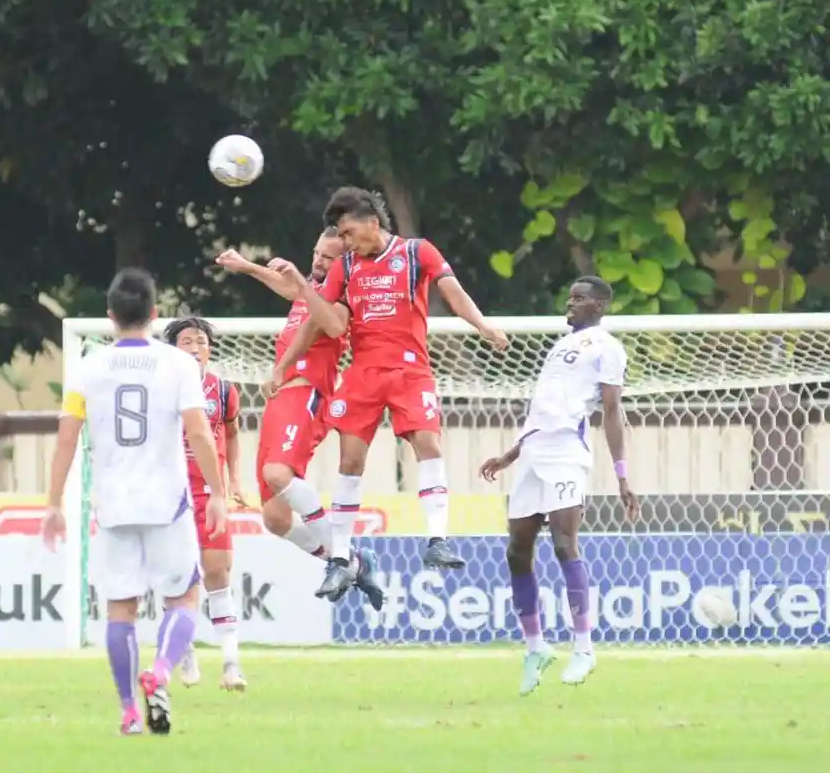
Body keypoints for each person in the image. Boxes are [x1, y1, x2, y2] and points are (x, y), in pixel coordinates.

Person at [272, 186, 509, 601]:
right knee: (351, 459)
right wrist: (284, 366)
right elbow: (318, 321)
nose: (344, 243)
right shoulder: (346, 268)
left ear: (371, 224)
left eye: (347, 233)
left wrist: (483, 325)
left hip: (409, 369)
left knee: (428, 442)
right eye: (341, 236)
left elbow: (451, 291)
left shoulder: (418, 253)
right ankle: (342, 559)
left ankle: (438, 540)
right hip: (363, 372)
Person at [43, 268, 228, 736]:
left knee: (120, 609)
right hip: (167, 500)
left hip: (113, 504)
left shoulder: (88, 367)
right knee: (184, 597)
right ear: (155, 314)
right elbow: (199, 431)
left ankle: (128, 712)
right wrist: (219, 491)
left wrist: (53, 503)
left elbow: (67, 439)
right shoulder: (178, 364)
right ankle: (161, 671)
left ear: (110, 317)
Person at [479, 276, 639, 694]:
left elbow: (611, 411)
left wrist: (622, 474)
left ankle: (583, 648)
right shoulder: (558, 345)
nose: (570, 304)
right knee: (517, 551)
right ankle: (535, 646)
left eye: (580, 299)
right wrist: (509, 455)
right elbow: (543, 413)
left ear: (600, 306)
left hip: (567, 453)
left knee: (565, 544)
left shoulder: (608, 348)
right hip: (532, 454)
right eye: (569, 297)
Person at [216, 235, 385, 611]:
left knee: (278, 472)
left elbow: (335, 326)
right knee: (275, 520)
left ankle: (340, 557)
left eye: (328, 257)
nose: (319, 261)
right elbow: (290, 286)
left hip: (307, 396)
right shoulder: (310, 290)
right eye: (316, 254)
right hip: (280, 401)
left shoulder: (340, 297)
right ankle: (356, 563)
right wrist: (247, 266)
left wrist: (304, 285)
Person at [162, 316, 248, 691]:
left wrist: (234, 482)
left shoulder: (225, 390)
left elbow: (230, 436)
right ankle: (186, 651)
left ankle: (231, 665)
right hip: (169, 495)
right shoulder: (160, 390)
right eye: (186, 341)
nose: (196, 347)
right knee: (177, 578)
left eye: (201, 340)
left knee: (218, 574)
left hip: (208, 493)